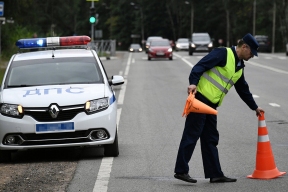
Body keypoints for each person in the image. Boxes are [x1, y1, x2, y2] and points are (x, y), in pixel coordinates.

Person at [174, 33, 265, 183]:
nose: (252, 56)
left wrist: (254, 107)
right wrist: (193, 83)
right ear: (244, 47)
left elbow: (243, 89)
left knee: (210, 139)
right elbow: (200, 66)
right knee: (192, 134)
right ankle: (181, 171)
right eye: (251, 53)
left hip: (211, 105)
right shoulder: (223, 53)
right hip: (200, 100)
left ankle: (215, 174)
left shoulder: (239, 67)